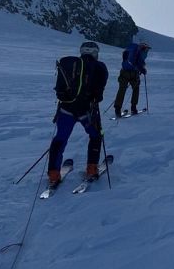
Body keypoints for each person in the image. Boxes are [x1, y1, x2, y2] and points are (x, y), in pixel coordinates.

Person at [47, 41, 109, 189]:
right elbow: (99, 94)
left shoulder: (71, 65)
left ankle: (53, 174)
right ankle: (92, 168)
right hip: (86, 111)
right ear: (95, 52)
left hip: (65, 109)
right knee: (95, 136)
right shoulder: (100, 67)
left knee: (60, 139)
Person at [113, 40, 151, 117]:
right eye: (146, 49)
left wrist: (141, 67)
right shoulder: (137, 51)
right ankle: (133, 108)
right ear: (143, 48)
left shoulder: (132, 50)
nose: (147, 51)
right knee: (135, 89)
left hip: (125, 72)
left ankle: (118, 109)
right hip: (132, 73)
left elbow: (137, 61)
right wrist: (141, 69)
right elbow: (134, 62)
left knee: (122, 89)